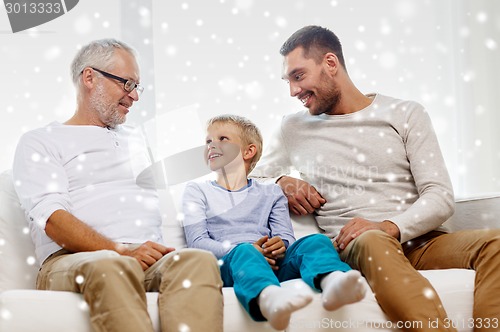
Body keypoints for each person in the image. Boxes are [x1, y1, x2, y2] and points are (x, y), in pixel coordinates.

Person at [250, 25, 500, 331]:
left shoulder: (405, 113)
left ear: (331, 63)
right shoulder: (293, 128)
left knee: (496, 243)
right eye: (287, 81)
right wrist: (281, 182)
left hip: (421, 242)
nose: (292, 91)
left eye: (298, 76)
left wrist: (390, 226)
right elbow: (253, 177)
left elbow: (439, 196)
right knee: (372, 240)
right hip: (357, 246)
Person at [12, 39, 223, 332]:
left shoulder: (138, 139)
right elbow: (52, 220)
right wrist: (119, 250)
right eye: (127, 84)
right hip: (76, 261)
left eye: (137, 87)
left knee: (196, 261)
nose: (134, 96)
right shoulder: (41, 141)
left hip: (144, 258)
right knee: (113, 266)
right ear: (90, 77)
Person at [181, 114, 366, 331]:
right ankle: (269, 298)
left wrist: (280, 245)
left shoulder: (271, 192)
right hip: (231, 265)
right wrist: (248, 249)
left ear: (249, 151)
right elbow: (197, 242)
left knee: (315, 241)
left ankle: (332, 281)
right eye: (208, 141)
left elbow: (285, 236)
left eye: (222, 139)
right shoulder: (197, 190)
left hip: (273, 263)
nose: (212, 145)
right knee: (244, 251)